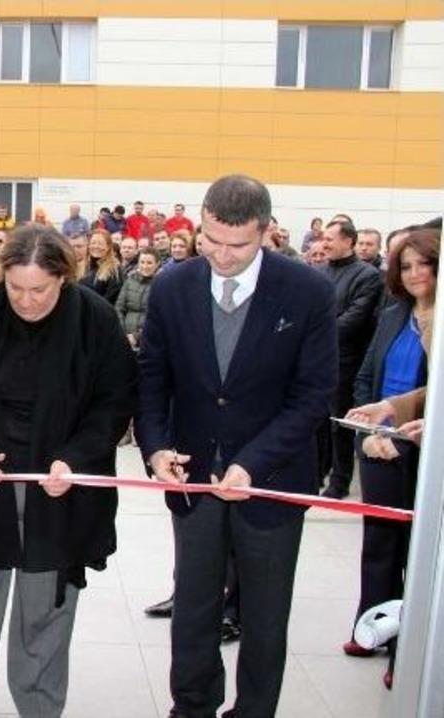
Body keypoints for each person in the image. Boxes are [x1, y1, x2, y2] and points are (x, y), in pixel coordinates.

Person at [136, 174, 337, 718]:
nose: (222, 256)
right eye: (211, 239)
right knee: (194, 610)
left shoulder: (308, 291)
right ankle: (192, 706)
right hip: (193, 479)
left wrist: (253, 462)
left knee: (266, 616)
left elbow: (313, 395)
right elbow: (152, 377)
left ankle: (253, 710)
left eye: (238, 245)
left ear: (266, 233)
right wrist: (155, 448)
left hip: (272, 483)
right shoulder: (173, 286)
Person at [0, 225, 136, 718]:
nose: (27, 300)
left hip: (59, 489)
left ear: (64, 278)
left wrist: (76, 459)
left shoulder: (95, 321)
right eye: (15, 287)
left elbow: (114, 403)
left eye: (39, 289)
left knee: (45, 611)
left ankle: (38, 705)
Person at [344, 228, 437, 690]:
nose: (416, 273)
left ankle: (406, 649)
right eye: (406, 265)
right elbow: (365, 377)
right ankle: (370, 626)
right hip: (380, 441)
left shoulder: (436, 322)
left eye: (425, 264)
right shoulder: (393, 313)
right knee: (378, 545)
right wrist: (369, 431)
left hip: (425, 448)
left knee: (416, 555)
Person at [319, 219, 384, 499]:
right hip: (318, 361)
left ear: (348, 241)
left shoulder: (367, 276)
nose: (325, 244)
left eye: (330, 239)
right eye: (323, 239)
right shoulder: (320, 273)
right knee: (317, 424)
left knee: (339, 426)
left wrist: (315, 334)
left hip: (346, 363)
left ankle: (340, 481)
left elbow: (355, 319)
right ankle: (317, 474)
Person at [115, 247, 159, 351]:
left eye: (149, 263)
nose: (145, 266)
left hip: (148, 340)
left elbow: (159, 318)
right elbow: (119, 307)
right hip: (125, 338)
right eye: (142, 262)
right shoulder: (129, 281)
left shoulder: (161, 285)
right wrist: (123, 334)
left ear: (157, 264)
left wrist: (137, 337)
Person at [80, 228, 123, 305]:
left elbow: (111, 298)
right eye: (93, 243)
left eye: (100, 244)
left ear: (108, 247)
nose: (96, 246)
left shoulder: (114, 270)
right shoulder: (83, 266)